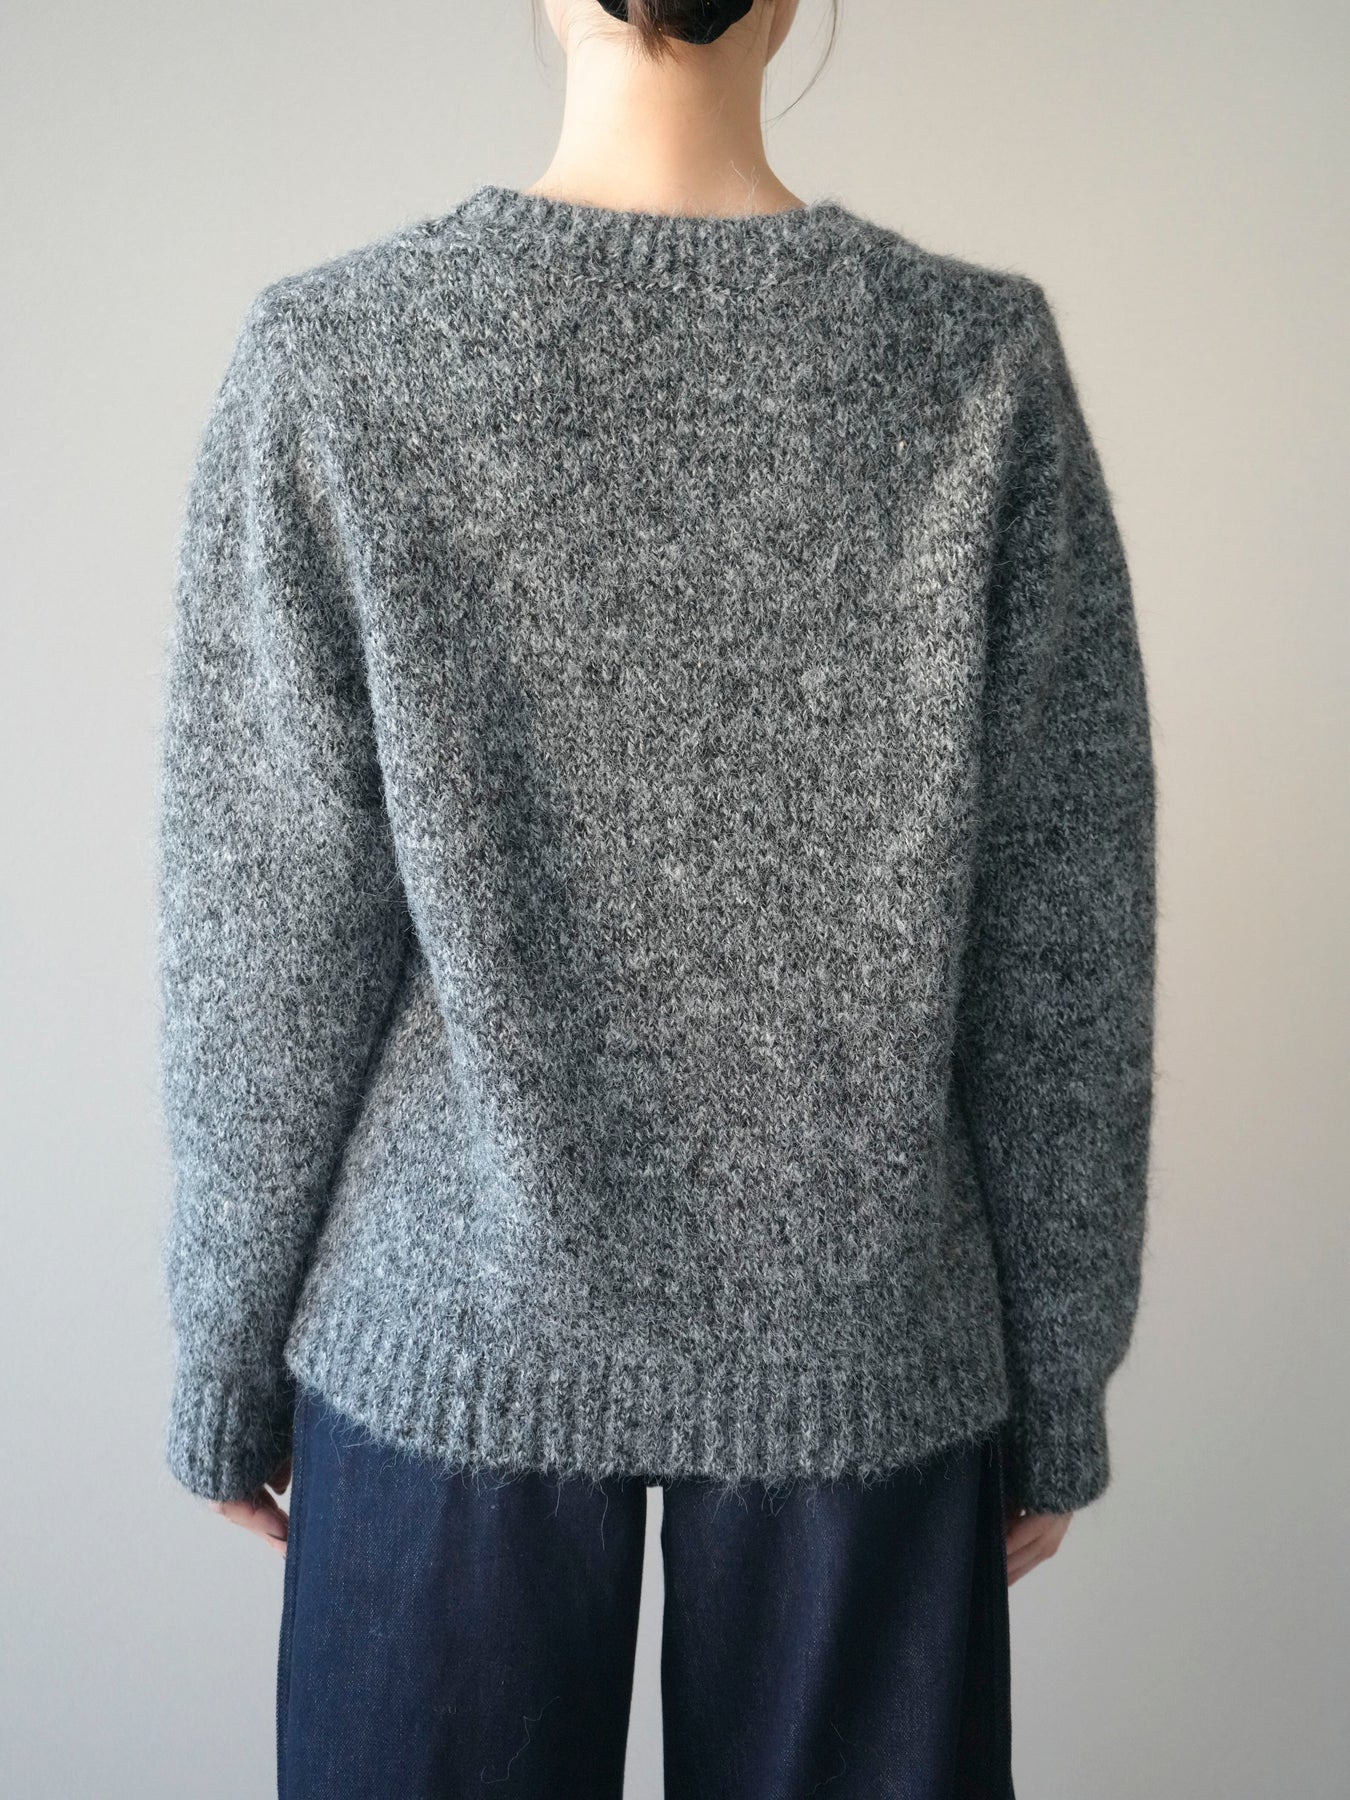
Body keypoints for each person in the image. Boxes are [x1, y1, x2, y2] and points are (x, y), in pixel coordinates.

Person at [154, 1, 1157, 1794]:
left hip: (446, 1335)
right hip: (864, 1340)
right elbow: (1061, 938)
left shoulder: (340, 357)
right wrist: (1059, 1375)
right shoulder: (971, 365)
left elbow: (264, 936)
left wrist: (227, 1353)